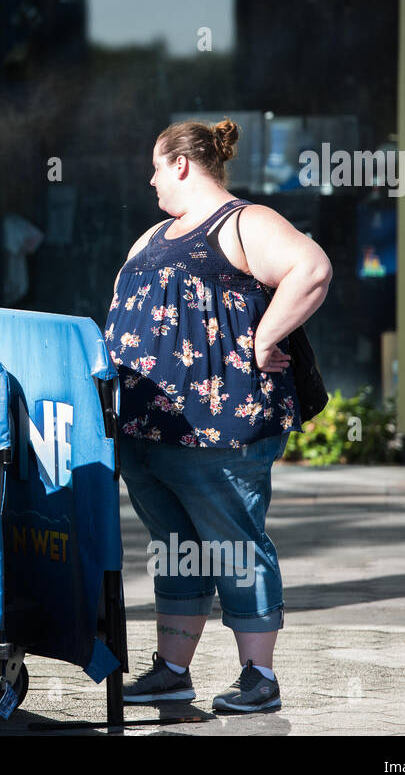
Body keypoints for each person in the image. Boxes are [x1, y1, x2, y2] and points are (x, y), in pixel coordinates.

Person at [103, 118, 331, 713]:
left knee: (235, 544)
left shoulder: (244, 223)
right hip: (148, 430)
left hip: (220, 428)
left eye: (156, 168)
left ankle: (260, 678)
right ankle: (173, 671)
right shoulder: (152, 237)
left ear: (181, 164)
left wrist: (262, 340)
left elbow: (311, 269)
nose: (151, 181)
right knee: (176, 547)